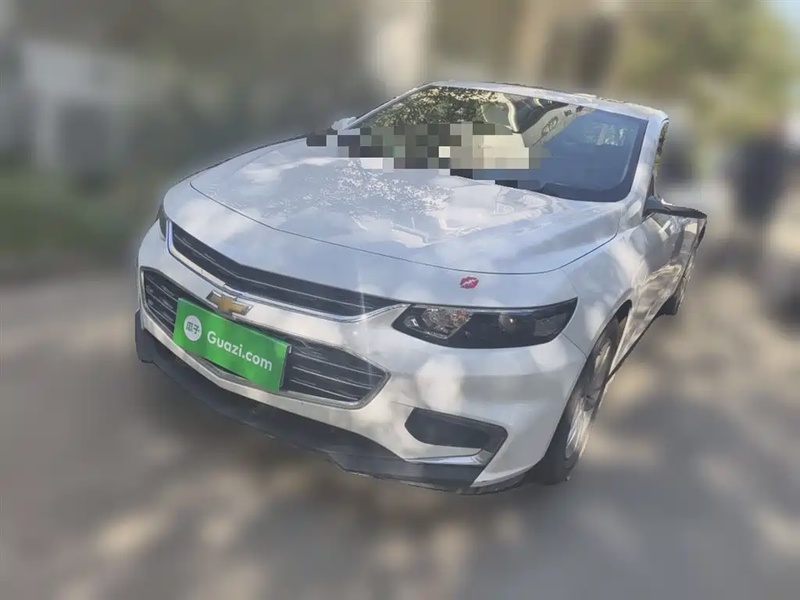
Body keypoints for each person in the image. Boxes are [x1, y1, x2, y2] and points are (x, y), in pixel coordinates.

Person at [730, 118, 791, 274]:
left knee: (757, 232)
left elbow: (782, 176)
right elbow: (741, 169)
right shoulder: (754, 146)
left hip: (764, 197)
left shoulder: (779, 151)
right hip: (750, 195)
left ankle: (749, 262)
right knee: (744, 230)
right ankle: (740, 259)